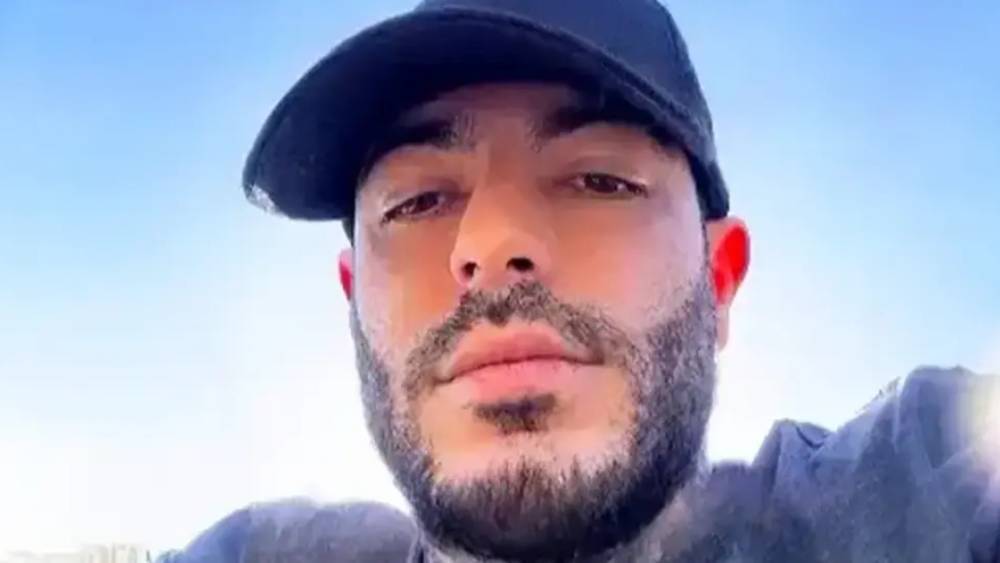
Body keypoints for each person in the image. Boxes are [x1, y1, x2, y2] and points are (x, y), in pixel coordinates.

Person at [168, 0, 1000, 561]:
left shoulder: (924, 485)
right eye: (417, 201)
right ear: (353, 299)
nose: (491, 243)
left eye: (599, 180)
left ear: (718, 281)